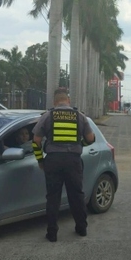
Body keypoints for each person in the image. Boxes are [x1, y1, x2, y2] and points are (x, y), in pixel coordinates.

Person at [32, 88, 95, 242]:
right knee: (77, 195)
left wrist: (40, 160)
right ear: (68, 100)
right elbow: (91, 138)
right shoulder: (79, 116)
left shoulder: (47, 116)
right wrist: (79, 144)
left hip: (53, 161)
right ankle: (82, 228)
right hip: (73, 160)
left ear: (54, 102)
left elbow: (36, 141)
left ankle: (52, 233)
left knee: (53, 197)